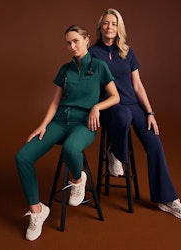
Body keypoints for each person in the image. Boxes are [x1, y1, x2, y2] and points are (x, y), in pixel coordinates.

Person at [15, 24, 120, 241]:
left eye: (76, 41)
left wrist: (96, 107)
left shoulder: (99, 67)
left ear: (87, 40)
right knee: (22, 157)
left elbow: (115, 97)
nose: (72, 46)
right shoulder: (65, 69)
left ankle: (78, 179)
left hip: (84, 124)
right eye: (68, 43)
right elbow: (55, 103)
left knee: (71, 149)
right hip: (61, 121)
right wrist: (43, 125)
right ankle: (37, 212)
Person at [89, 8, 181, 219]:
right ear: (100, 27)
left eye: (114, 24)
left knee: (154, 142)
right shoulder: (92, 53)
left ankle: (167, 199)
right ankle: (116, 153)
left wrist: (150, 112)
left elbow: (137, 86)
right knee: (123, 116)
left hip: (133, 105)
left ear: (119, 29)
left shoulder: (128, 52)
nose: (110, 27)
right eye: (106, 23)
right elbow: (89, 86)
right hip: (111, 107)